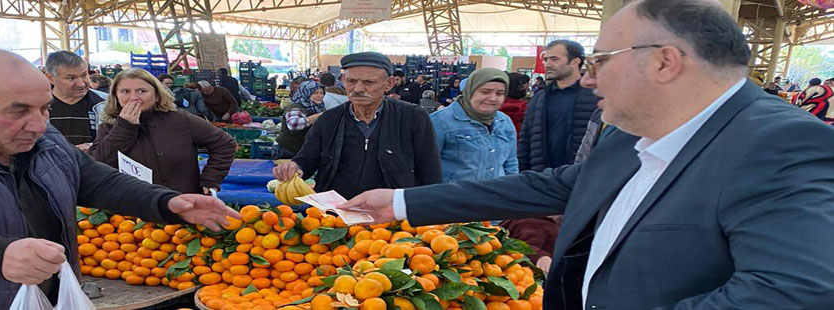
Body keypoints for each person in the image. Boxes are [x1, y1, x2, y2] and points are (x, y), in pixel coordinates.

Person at [339, 1, 834, 309]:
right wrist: (401, 204)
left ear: (665, 62)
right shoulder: (633, 135)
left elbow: (795, 290)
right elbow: (548, 186)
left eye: (599, 61)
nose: (590, 76)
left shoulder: (782, 144)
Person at [0, 48, 240, 309]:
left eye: (43, 108)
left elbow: (90, 178)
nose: (39, 124)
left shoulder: (36, 133)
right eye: (20, 110)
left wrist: (166, 202)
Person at [272, 52, 441, 199]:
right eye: (351, 81)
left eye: (368, 82)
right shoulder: (329, 119)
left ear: (388, 84)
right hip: (335, 216)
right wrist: (296, 168)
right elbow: (307, 159)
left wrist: (426, 213)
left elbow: (430, 171)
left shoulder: (413, 117)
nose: (358, 88)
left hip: (391, 218)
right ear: (343, 80)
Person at [89, 68, 237, 194]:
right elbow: (97, 163)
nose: (134, 98)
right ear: (115, 96)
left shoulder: (180, 119)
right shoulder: (109, 126)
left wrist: (211, 179)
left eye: (142, 91)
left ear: (157, 95)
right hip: (130, 213)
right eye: (125, 91)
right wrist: (125, 127)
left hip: (182, 203)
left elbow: (225, 143)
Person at [517, 40, 601, 172]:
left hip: (581, 177)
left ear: (575, 62)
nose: (547, 64)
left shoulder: (596, 97)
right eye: (546, 59)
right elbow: (525, 142)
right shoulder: (539, 98)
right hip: (542, 179)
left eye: (554, 59)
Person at [430, 68, 517, 183]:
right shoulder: (440, 121)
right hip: (453, 198)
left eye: (499, 93)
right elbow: (426, 167)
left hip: (495, 197)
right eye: (485, 92)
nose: (492, 98)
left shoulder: (504, 122)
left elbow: (510, 165)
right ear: (470, 91)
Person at [44, 51, 105, 151]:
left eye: (84, 75)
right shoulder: (36, 107)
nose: (81, 84)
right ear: (50, 78)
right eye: (71, 78)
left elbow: (113, 141)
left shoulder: (104, 103)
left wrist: (91, 147)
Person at [276, 81, 326, 158]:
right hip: (288, 150)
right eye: (315, 93)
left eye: (321, 93)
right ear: (306, 93)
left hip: (303, 150)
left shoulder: (318, 108)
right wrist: (318, 116)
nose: (320, 96)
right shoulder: (297, 107)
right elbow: (293, 124)